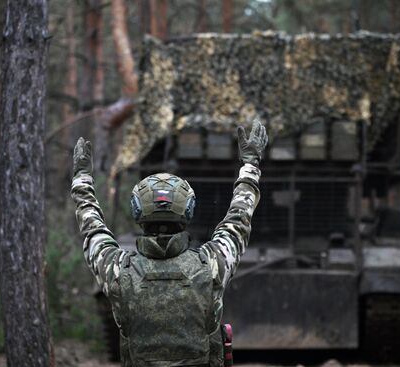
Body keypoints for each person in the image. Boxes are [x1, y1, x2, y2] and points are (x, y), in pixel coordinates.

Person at [71, 120, 268, 367]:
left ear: (137, 211)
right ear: (187, 211)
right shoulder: (211, 265)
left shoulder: (118, 270)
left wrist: (81, 178)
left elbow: (92, 228)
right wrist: (250, 165)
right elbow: (239, 218)